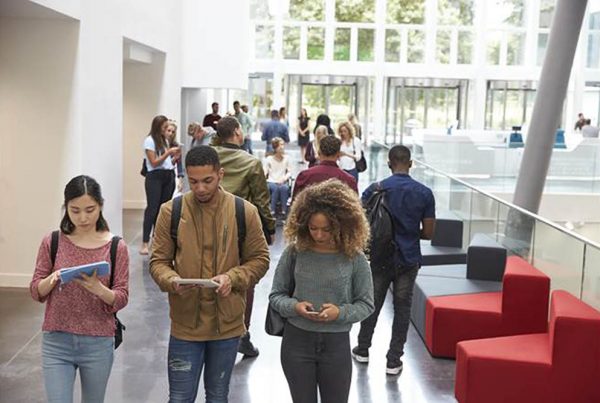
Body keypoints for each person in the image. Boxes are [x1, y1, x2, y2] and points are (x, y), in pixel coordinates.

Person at [149, 146, 270, 402]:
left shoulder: (244, 211)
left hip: (226, 327)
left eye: (207, 180)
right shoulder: (171, 212)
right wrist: (170, 280)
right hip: (185, 325)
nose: (201, 188)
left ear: (220, 174)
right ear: (185, 176)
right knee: (180, 397)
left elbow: (260, 260)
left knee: (218, 396)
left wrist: (233, 277)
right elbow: (158, 262)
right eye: (193, 182)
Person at [269, 179, 374, 403]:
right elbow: (276, 295)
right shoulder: (295, 252)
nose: (318, 235)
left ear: (342, 224)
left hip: (336, 345)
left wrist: (340, 313)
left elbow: (366, 304)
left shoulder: (354, 257)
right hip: (296, 342)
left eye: (326, 229)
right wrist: (295, 307)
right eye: (313, 228)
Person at [30, 175, 129, 403]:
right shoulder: (52, 241)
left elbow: (122, 296)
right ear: (66, 208)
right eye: (75, 211)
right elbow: (36, 290)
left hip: (98, 342)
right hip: (57, 341)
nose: (83, 217)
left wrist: (98, 289)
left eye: (90, 209)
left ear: (101, 206)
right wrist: (53, 279)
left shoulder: (116, 246)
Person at [352, 145, 436, 376]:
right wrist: (409, 233)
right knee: (402, 308)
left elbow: (359, 222)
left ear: (389, 163)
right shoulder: (424, 193)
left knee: (373, 303)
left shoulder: (375, 189)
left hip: (380, 257)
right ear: (410, 163)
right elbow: (429, 233)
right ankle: (393, 359)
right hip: (408, 258)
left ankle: (362, 348)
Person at [213, 116, 276, 356]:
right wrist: (269, 228)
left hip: (206, 224)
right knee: (244, 280)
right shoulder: (250, 162)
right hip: (239, 227)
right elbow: (261, 200)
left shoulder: (207, 156)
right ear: (237, 132)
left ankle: (213, 331)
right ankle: (241, 333)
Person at [141, 115, 181, 255]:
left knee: (163, 210)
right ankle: (145, 243)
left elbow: (165, 162)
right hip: (155, 177)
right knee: (152, 209)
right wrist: (169, 152)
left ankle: (156, 239)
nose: (167, 130)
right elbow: (154, 162)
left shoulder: (164, 140)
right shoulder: (149, 141)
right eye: (164, 127)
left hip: (168, 175)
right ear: (158, 127)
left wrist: (173, 158)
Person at [293, 135, 357, 202]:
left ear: (319, 153)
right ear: (338, 155)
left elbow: (294, 205)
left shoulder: (304, 177)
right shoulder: (349, 181)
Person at [264, 137, 293, 218]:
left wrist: (284, 178)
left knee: (284, 188)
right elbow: (265, 172)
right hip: (271, 181)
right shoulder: (269, 159)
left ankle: (284, 211)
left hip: (282, 180)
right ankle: (272, 210)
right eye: (280, 145)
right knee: (275, 188)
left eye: (283, 145)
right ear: (275, 147)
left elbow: (290, 172)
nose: (282, 147)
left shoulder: (287, 158)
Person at [166, 120, 185, 197]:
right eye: (169, 131)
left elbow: (179, 164)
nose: (170, 134)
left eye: (173, 132)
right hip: (158, 175)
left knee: (167, 202)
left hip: (170, 176)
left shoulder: (176, 146)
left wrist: (180, 181)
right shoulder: (159, 145)